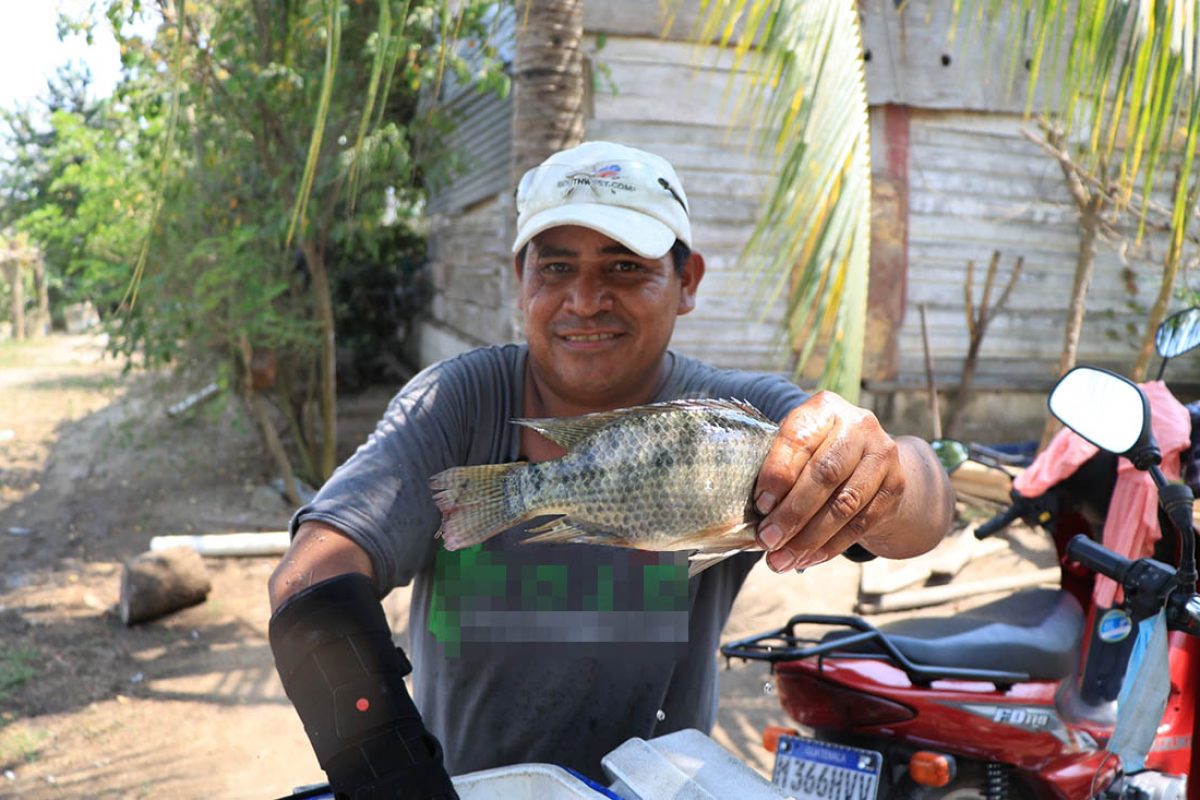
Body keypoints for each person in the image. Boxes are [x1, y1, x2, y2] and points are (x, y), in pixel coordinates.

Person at [267, 141, 955, 796]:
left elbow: (926, 509)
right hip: (470, 789)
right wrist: (391, 774)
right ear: (520, 280)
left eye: (625, 267)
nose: (585, 299)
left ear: (686, 281)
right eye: (556, 267)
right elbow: (310, 577)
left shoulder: (742, 419)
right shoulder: (456, 405)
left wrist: (887, 469)